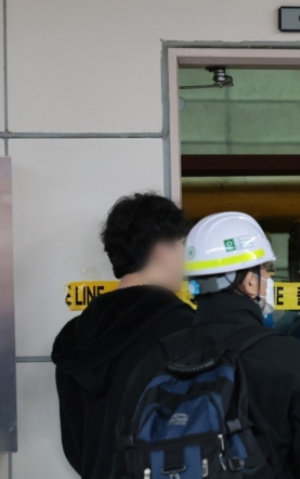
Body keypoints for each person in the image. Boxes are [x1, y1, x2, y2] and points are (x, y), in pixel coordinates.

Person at [184, 212, 300, 478]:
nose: (269, 279)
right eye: (265, 270)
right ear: (250, 282)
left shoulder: (159, 359)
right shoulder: (294, 361)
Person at [51, 193, 194, 479]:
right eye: (181, 245)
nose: (186, 258)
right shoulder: (184, 330)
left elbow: (75, 444)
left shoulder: (75, 337)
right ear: (161, 250)